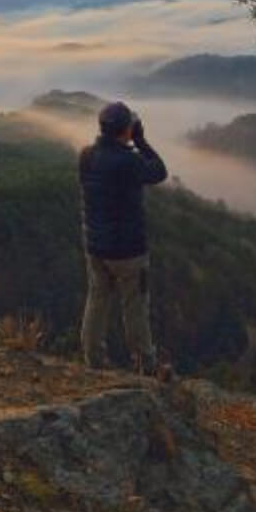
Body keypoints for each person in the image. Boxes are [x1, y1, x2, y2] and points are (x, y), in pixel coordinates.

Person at [77, 100, 168, 374]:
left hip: (96, 246)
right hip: (128, 251)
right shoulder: (129, 161)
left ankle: (93, 359)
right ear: (125, 129)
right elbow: (159, 172)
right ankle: (145, 363)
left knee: (97, 299)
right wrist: (141, 141)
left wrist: (130, 138)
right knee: (134, 306)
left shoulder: (87, 156)